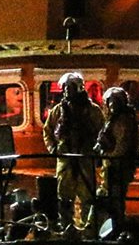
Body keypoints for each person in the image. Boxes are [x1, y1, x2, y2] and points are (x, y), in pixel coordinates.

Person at [43, 71, 103, 233]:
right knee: (63, 195)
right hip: (65, 159)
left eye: (70, 87)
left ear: (79, 87)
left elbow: (101, 132)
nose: (66, 90)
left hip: (85, 158)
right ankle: (66, 226)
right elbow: (48, 131)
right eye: (65, 88)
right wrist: (53, 149)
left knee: (87, 195)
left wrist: (98, 154)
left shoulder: (93, 111)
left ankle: (87, 228)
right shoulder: (57, 111)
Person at [96, 85, 139, 236]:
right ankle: (112, 225)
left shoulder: (124, 121)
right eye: (110, 102)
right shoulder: (113, 120)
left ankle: (117, 227)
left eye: (114, 101)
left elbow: (123, 145)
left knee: (116, 198)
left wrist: (110, 156)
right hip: (111, 165)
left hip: (119, 166)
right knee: (110, 197)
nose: (111, 105)